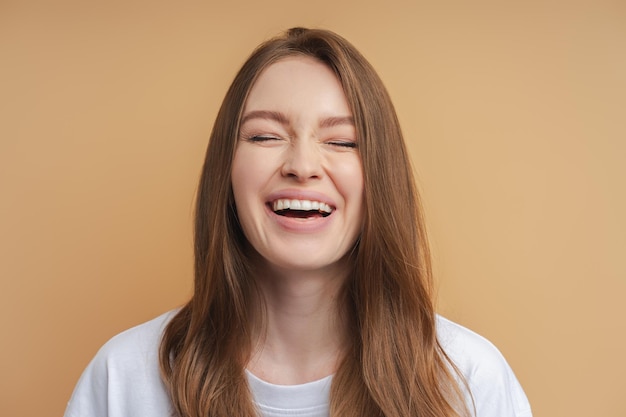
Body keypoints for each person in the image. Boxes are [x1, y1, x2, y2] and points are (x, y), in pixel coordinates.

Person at [64, 27, 532, 417]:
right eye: (266, 135)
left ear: (380, 179)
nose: (302, 164)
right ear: (224, 172)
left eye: (343, 141)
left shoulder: (469, 381)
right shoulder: (123, 380)